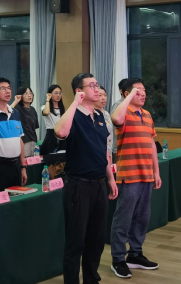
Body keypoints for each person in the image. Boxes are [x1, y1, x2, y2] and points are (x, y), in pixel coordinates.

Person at [54, 73, 118, 284]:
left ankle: (92, 280)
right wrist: (74, 103)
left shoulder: (99, 116)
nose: (97, 89)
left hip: (99, 185)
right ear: (79, 91)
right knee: (76, 242)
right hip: (78, 186)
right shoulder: (73, 115)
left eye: (97, 85)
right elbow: (60, 132)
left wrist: (110, 179)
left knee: (96, 240)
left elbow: (104, 152)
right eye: (91, 86)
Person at [110, 78, 161, 279]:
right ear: (126, 94)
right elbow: (116, 118)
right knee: (123, 218)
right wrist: (130, 96)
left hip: (146, 175)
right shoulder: (123, 112)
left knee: (142, 217)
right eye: (138, 90)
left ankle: (135, 254)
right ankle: (118, 259)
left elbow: (152, 145)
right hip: (128, 176)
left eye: (144, 90)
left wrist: (156, 172)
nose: (143, 93)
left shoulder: (147, 115)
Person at [10, 87, 39, 158]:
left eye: (30, 93)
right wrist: (16, 101)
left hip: (33, 141)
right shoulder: (18, 108)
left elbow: (34, 127)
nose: (29, 95)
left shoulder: (33, 109)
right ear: (20, 95)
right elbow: (8, 113)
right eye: (26, 93)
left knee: (34, 162)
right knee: (24, 161)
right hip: (23, 141)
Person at [40, 84, 66, 155]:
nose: (58, 95)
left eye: (60, 93)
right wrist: (47, 100)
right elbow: (46, 112)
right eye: (56, 93)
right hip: (51, 134)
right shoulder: (44, 107)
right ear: (50, 94)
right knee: (50, 156)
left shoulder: (62, 108)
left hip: (62, 135)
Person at [109, 78, 128, 159]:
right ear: (121, 91)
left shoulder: (133, 105)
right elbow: (115, 123)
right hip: (120, 148)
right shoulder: (118, 105)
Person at [95, 86, 113, 159]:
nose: (103, 98)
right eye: (100, 95)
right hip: (97, 154)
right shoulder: (91, 114)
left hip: (109, 152)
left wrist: (110, 155)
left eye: (105, 95)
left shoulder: (107, 114)